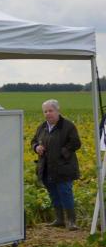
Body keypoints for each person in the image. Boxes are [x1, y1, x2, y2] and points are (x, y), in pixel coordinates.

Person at [32, 99, 81, 231]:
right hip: (47, 167)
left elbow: (76, 143)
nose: (48, 114)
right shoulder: (42, 127)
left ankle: (71, 221)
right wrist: (36, 147)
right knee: (53, 193)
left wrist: (61, 153)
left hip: (63, 166)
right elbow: (34, 141)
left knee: (65, 192)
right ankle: (59, 219)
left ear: (57, 111)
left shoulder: (68, 126)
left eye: (50, 110)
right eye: (45, 111)